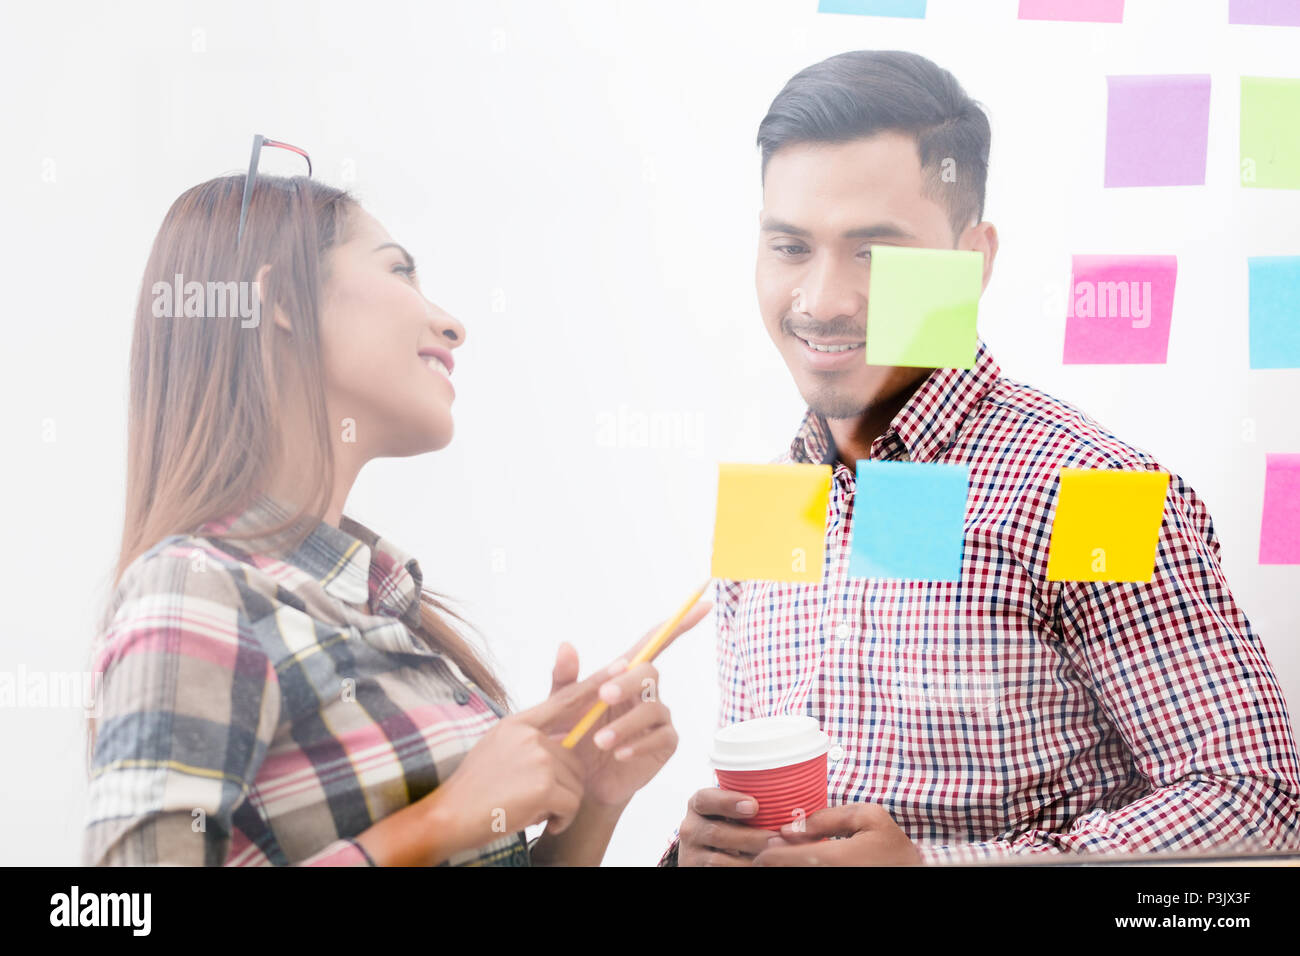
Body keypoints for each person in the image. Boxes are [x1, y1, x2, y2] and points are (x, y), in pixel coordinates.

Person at [664, 50, 1300, 866]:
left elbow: (1255, 800)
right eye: (790, 246)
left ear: (973, 260)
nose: (820, 300)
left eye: (872, 251)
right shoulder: (770, 500)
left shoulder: (1097, 492)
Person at [84, 160, 706, 866]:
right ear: (279, 300)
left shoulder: (383, 610)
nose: (451, 324)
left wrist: (590, 801)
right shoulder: (196, 590)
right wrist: (439, 820)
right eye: (400, 271)